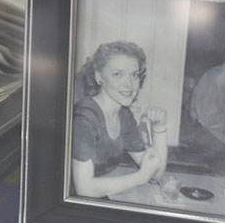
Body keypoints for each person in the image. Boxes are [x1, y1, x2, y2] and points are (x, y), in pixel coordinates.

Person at [71, 41, 168, 198]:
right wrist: (140, 177)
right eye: (118, 74)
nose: (129, 84)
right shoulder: (84, 118)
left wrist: (160, 127)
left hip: (95, 198)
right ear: (99, 77)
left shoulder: (124, 115)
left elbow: (155, 174)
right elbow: (84, 188)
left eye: (134, 75)